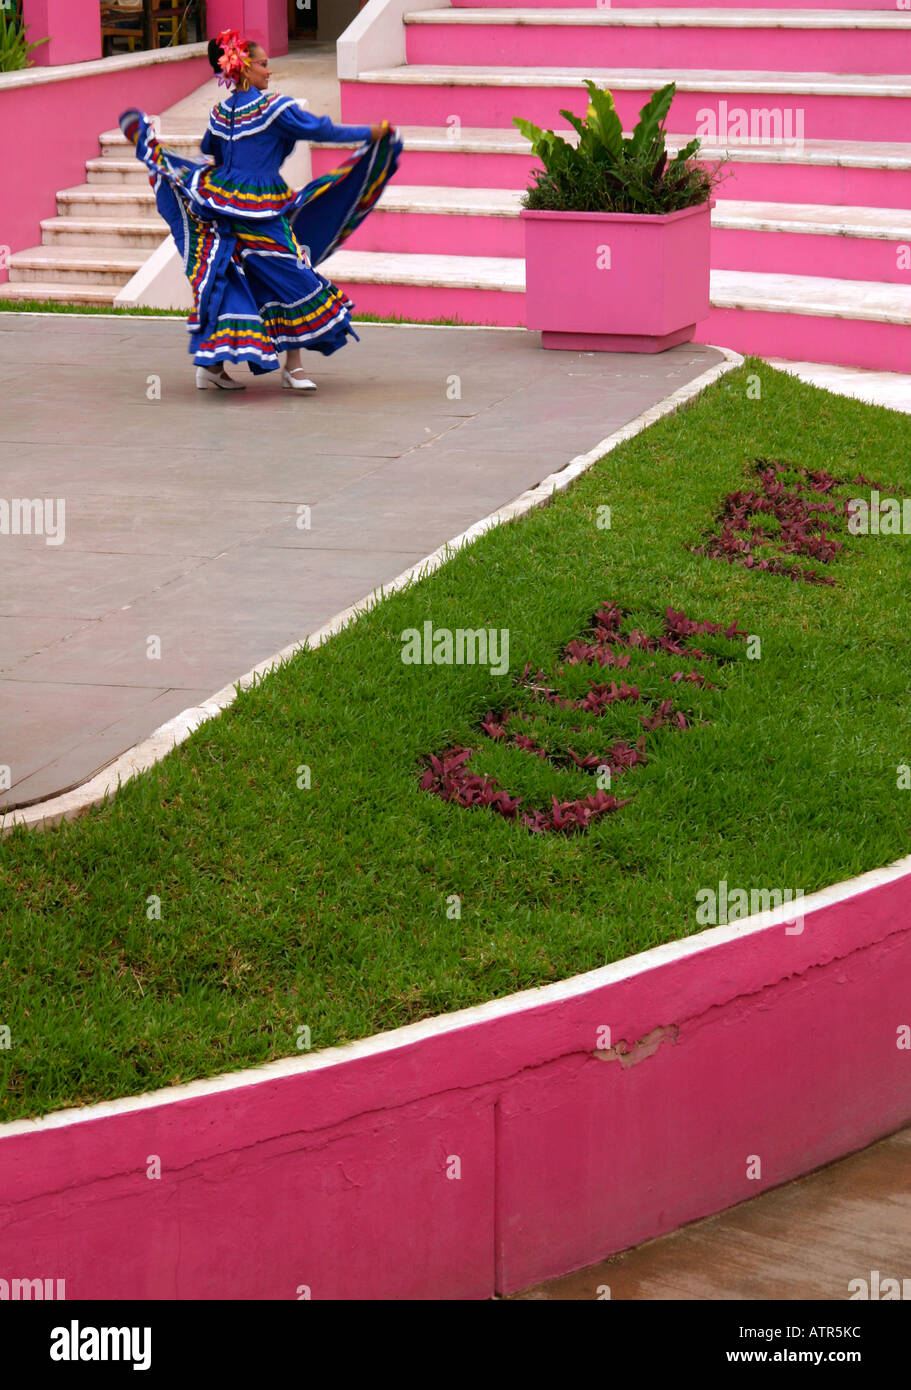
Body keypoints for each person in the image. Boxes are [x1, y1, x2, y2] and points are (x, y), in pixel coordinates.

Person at [120, 30, 401, 392]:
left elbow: (212, 152)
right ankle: (292, 368)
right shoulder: (273, 109)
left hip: (223, 204)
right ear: (245, 67)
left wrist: (196, 175)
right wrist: (369, 132)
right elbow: (320, 128)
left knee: (232, 278)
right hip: (259, 209)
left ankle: (215, 367)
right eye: (265, 64)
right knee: (296, 275)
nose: (270, 71)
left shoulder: (220, 112)